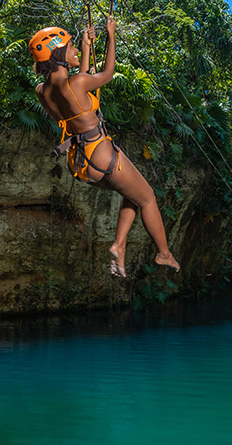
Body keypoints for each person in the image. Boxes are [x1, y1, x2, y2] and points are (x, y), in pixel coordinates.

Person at [30, 18, 180, 278]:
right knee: (147, 198)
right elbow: (105, 75)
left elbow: (77, 84)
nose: (75, 50)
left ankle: (119, 246)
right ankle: (164, 253)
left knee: (130, 193)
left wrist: (87, 47)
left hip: (81, 163)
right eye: (71, 47)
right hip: (101, 152)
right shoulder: (75, 84)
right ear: (58, 52)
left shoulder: (42, 91)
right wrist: (111, 36)